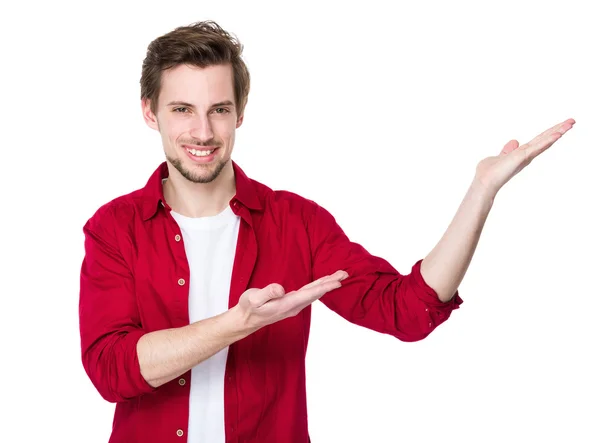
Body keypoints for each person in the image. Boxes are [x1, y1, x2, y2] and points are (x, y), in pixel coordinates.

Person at [78, 20, 575, 443]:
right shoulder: (114, 229)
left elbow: (408, 310)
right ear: (150, 112)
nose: (203, 133)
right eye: (182, 109)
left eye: (219, 110)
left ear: (240, 113)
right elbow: (110, 368)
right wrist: (239, 323)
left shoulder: (297, 224)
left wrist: (482, 190)